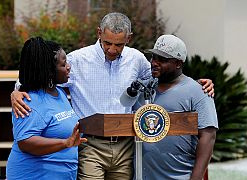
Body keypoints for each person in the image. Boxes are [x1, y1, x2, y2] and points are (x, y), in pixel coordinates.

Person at [11, 13, 215, 180]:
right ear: (99, 33)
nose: (112, 49)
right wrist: (16, 91)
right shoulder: (78, 60)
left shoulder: (137, 59)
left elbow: (160, 79)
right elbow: (38, 74)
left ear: (129, 38)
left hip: (126, 145)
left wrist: (195, 85)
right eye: (107, 43)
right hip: (90, 144)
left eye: (119, 45)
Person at [121, 34, 218, 180]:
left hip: (179, 176)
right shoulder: (143, 87)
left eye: (162, 60)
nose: (154, 63)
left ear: (178, 63)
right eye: (153, 57)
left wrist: (196, 178)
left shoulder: (198, 91)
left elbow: (208, 136)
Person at [6, 37, 87, 180]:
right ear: (49, 71)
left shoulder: (60, 93)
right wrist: (65, 143)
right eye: (63, 64)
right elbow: (26, 142)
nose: (68, 67)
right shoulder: (28, 101)